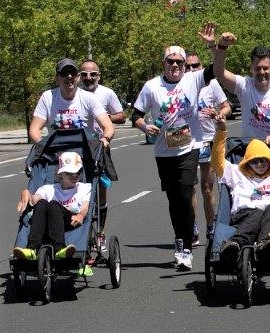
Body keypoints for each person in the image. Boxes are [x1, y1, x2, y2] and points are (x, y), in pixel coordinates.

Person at [131, 45, 211, 271]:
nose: (175, 65)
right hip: (164, 151)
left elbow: (216, 69)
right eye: (170, 61)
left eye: (179, 62)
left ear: (185, 65)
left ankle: (185, 247)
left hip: (190, 146)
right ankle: (180, 237)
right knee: (174, 199)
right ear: (164, 63)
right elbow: (135, 115)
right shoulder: (151, 86)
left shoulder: (193, 80)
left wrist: (218, 47)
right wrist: (145, 126)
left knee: (186, 193)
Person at [198, 24, 270, 155]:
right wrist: (221, 47)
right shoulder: (244, 85)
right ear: (251, 69)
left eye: (265, 68)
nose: (262, 72)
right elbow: (219, 72)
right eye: (257, 68)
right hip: (251, 149)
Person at [212, 117, 270, 265]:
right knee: (257, 212)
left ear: (269, 160)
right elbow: (217, 162)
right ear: (248, 162)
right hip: (244, 215)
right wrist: (221, 132)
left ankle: (266, 243)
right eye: (255, 161)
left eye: (263, 160)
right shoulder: (236, 172)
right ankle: (234, 244)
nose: (259, 164)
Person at [79, 59, 125, 254]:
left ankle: (100, 232)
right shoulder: (74, 94)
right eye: (84, 74)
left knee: (100, 189)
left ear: (99, 76)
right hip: (78, 148)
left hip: (100, 147)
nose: (88, 78)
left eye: (93, 74)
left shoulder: (107, 93)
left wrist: (102, 117)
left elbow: (121, 116)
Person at [185, 52, 231, 243]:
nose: (191, 69)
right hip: (186, 142)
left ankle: (211, 227)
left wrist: (218, 113)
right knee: (188, 188)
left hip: (207, 140)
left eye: (195, 66)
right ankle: (191, 227)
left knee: (206, 187)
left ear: (201, 66)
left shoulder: (211, 84)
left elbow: (226, 106)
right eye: (187, 66)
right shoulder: (181, 85)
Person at [13, 152, 91, 261]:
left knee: (54, 204)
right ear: (60, 175)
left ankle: (59, 249)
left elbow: (85, 207)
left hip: (71, 219)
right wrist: (25, 192)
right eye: (69, 173)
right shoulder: (48, 188)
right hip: (49, 222)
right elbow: (35, 200)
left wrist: (81, 216)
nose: (75, 175)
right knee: (42, 203)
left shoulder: (84, 188)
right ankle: (31, 249)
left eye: (78, 172)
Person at [30, 58, 114, 150]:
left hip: (86, 150)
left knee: (103, 161)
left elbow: (108, 126)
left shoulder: (89, 97)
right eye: (64, 73)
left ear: (78, 77)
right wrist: (40, 144)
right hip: (56, 151)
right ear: (57, 78)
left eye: (72, 73)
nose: (69, 76)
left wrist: (105, 139)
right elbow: (35, 129)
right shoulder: (47, 97)